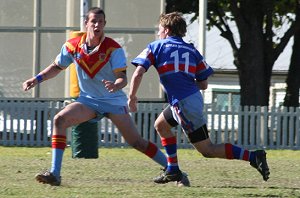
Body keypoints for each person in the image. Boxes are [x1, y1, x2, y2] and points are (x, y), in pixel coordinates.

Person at [22, 7, 190, 186]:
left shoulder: (113, 48)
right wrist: (36, 79)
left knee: (137, 142)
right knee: (59, 120)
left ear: (104, 25)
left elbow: (123, 78)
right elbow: (57, 67)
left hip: (113, 101)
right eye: (93, 21)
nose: (97, 25)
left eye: (100, 22)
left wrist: (117, 84)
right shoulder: (72, 46)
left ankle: (175, 171)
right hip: (88, 101)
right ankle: (55, 174)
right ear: (86, 23)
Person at [128, 12, 270, 184]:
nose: (158, 33)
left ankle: (253, 156)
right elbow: (203, 84)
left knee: (207, 149)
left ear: (166, 30)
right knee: (161, 125)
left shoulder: (156, 46)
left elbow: (138, 73)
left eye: (159, 30)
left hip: (183, 103)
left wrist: (132, 97)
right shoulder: (192, 50)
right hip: (189, 100)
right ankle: (173, 170)